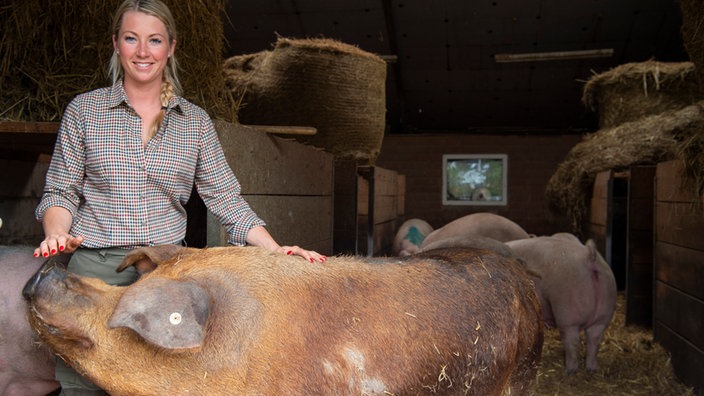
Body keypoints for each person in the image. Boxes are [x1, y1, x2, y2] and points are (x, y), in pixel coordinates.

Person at [33, 1, 326, 394]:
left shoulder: (195, 123)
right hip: (94, 270)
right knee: (84, 385)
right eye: (131, 38)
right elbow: (60, 190)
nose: (142, 51)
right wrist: (56, 233)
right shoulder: (85, 111)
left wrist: (275, 250)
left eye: (154, 40)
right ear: (116, 44)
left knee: (165, 383)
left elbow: (226, 199)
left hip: (163, 273)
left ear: (170, 47)